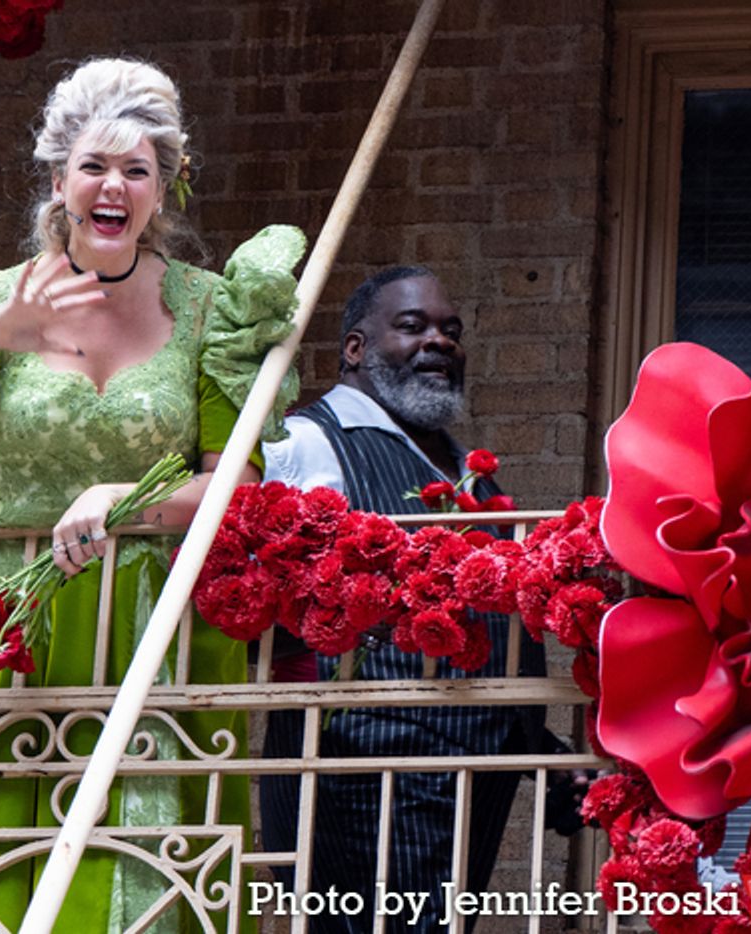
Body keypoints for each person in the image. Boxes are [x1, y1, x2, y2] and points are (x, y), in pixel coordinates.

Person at [0, 58, 305, 933]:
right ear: (59, 178)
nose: (114, 187)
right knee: (14, 865)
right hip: (19, 618)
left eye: (137, 171)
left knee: (156, 863)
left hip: (161, 614)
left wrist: (122, 501)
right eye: (95, 167)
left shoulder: (213, 310)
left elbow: (236, 485)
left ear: (165, 189)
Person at [258, 266, 548, 933]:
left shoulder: (463, 470)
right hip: (361, 771)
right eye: (413, 326)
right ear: (355, 349)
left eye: (452, 330)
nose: (440, 341)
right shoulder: (306, 444)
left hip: (466, 774)